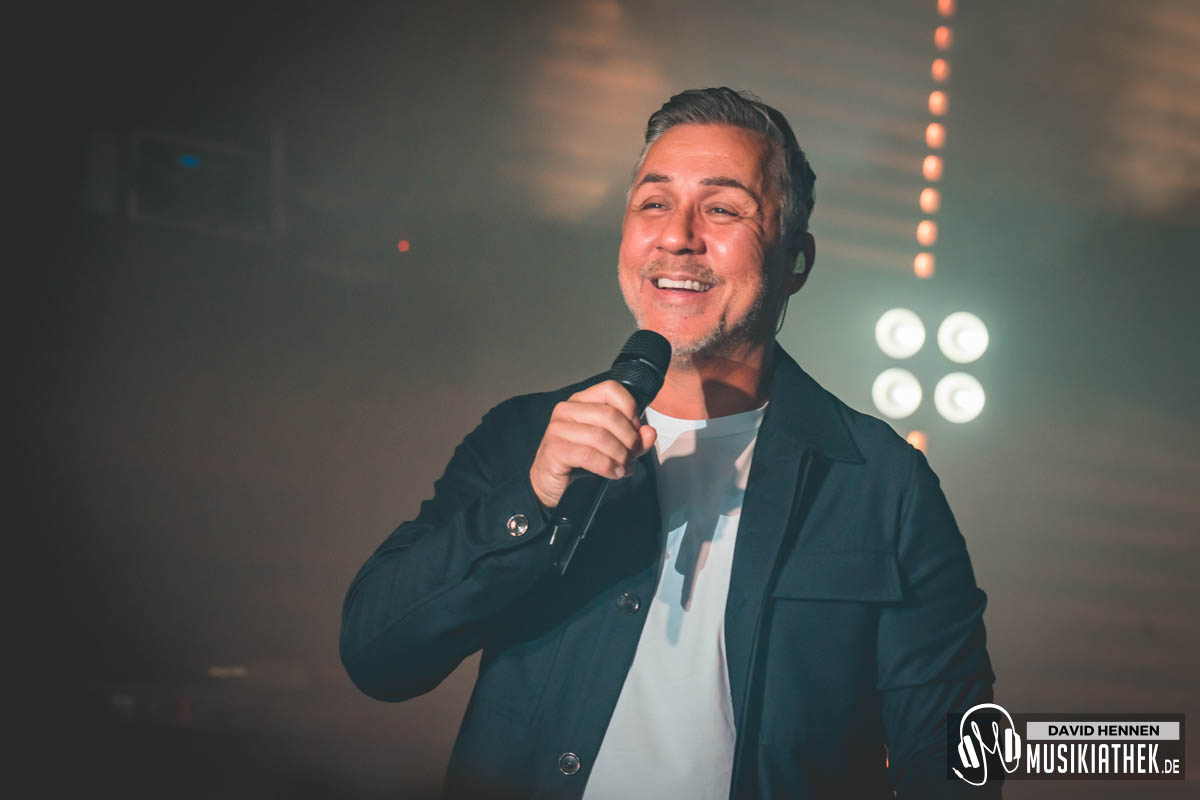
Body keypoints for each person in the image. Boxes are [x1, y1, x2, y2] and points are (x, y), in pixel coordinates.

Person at [340, 88, 997, 799]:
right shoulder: (526, 435)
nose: (677, 236)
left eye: (723, 209)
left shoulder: (880, 484)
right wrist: (531, 499)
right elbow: (379, 658)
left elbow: (958, 761)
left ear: (795, 261)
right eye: (654, 203)